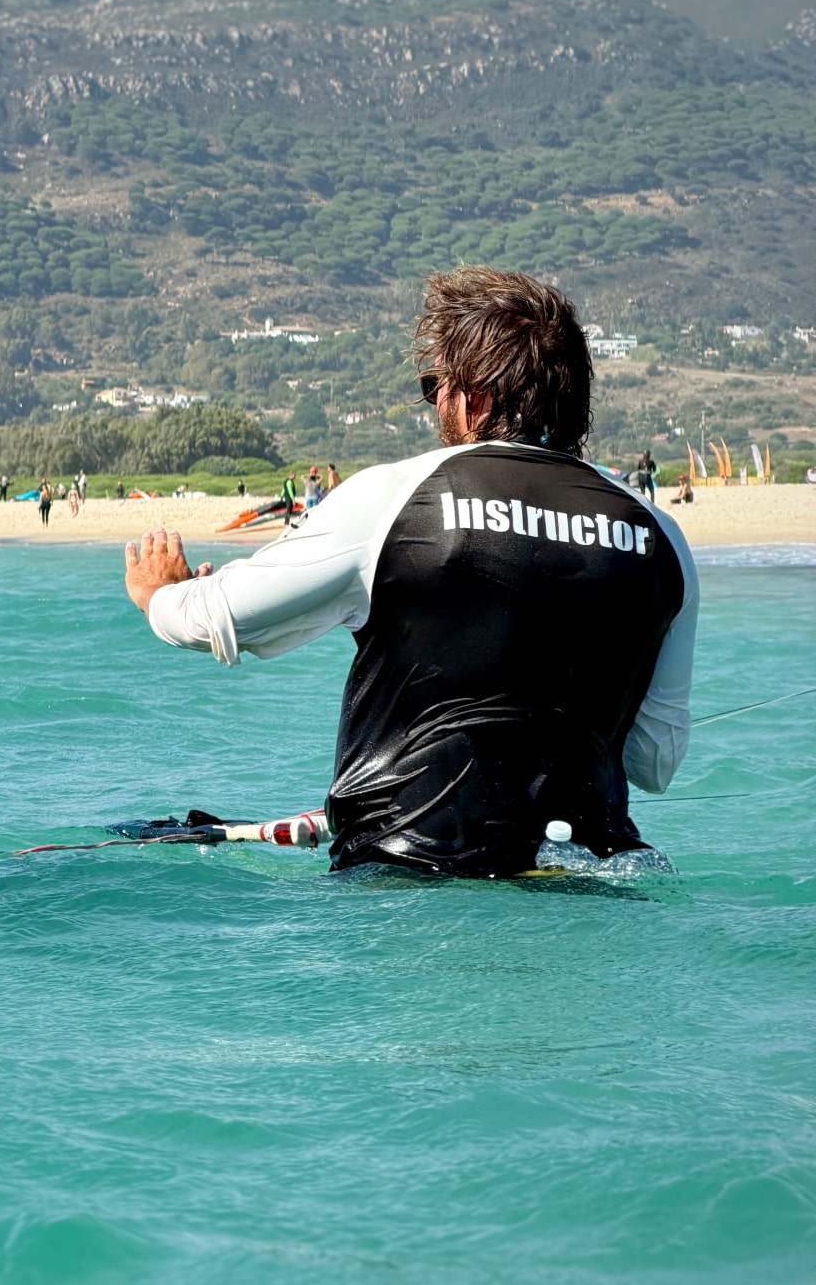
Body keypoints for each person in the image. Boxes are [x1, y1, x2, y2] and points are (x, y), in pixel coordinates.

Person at [123, 268, 698, 878]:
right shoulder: (661, 536)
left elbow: (215, 617)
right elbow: (654, 761)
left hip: (409, 878)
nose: (435, 406)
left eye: (435, 388)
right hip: (594, 877)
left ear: (473, 399)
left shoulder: (398, 497)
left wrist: (162, 593)